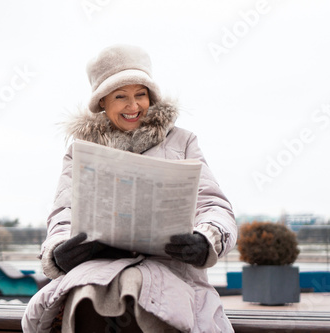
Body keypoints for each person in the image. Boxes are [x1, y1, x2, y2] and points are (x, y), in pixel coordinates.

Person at [22, 44, 237, 333]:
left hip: (171, 268)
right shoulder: (81, 152)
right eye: (121, 96)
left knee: (147, 295)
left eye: (141, 95)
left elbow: (213, 205)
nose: (133, 106)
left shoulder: (182, 142)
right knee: (89, 290)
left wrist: (206, 240)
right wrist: (59, 250)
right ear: (102, 103)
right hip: (98, 264)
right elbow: (64, 212)